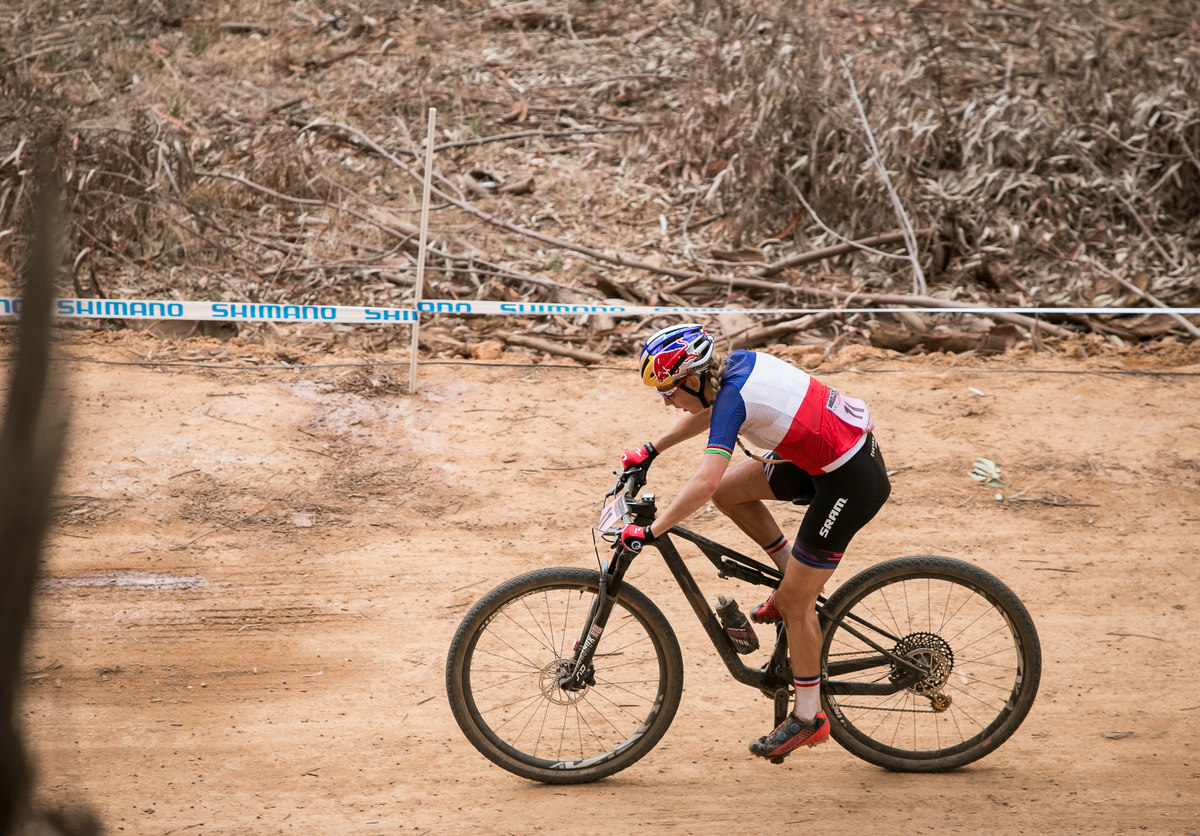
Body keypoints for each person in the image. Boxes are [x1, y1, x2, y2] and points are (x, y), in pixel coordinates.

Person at [615, 323, 891, 761]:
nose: (667, 401)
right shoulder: (732, 370)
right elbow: (712, 419)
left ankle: (808, 718)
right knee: (731, 492)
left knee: (799, 606)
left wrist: (652, 530)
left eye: (668, 391)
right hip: (822, 456)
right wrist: (652, 448)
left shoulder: (733, 395)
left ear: (693, 378)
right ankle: (790, 580)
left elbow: (704, 480)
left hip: (849, 481)